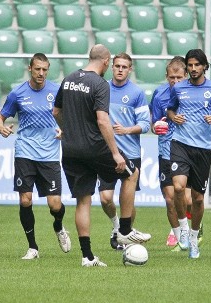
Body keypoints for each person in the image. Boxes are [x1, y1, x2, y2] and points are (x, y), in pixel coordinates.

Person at [53, 44, 151, 267]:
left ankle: (87, 257)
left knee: (83, 202)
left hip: (70, 150)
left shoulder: (68, 79)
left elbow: (56, 112)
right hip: (94, 147)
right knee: (131, 173)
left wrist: (68, 130)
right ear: (106, 62)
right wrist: (116, 153)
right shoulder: (99, 84)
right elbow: (102, 120)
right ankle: (124, 230)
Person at [0, 53, 71, 260]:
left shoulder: (57, 91)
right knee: (25, 199)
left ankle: (59, 226)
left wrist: (65, 130)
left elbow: (70, 117)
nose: (41, 73)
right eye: (37, 69)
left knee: (55, 204)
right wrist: (1, 128)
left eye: (45, 69)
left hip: (50, 154)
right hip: (25, 152)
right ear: (30, 68)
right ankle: (33, 247)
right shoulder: (18, 93)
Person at [167, 49, 211, 259]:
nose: (193, 69)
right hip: (180, 144)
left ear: (204, 66)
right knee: (178, 187)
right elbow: (170, 110)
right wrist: (174, 118)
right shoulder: (179, 88)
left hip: (202, 149)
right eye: (190, 65)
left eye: (196, 65)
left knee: (198, 199)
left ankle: (193, 238)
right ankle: (183, 229)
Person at [97, 53, 151, 250]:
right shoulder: (102, 89)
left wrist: (127, 129)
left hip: (131, 152)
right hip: (107, 153)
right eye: (117, 66)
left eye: (124, 67)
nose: (120, 69)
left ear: (130, 69)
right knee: (105, 198)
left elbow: (146, 124)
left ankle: (126, 234)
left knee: (128, 199)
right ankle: (117, 227)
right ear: (112, 67)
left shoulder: (136, 93)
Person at [149, 56, 193, 250]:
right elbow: (153, 123)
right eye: (171, 78)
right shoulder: (159, 95)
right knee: (169, 199)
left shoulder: (193, 94)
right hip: (166, 150)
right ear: (166, 76)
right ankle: (180, 237)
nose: (175, 82)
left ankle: (193, 224)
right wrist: (155, 126)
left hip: (187, 149)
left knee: (189, 200)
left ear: (186, 76)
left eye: (179, 78)